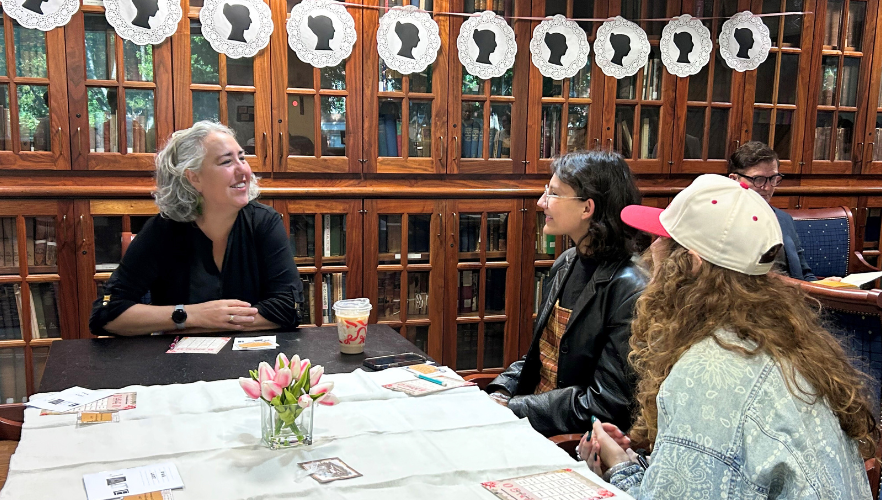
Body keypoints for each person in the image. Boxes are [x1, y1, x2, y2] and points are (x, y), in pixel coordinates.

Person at [579, 174, 877, 498]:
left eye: (663, 240)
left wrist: (619, 469)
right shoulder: (783, 346)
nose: (652, 249)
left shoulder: (707, 375)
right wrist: (635, 463)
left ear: (689, 265)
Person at [484, 150, 647, 437]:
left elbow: (604, 404)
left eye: (554, 194)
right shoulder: (566, 262)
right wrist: (499, 391)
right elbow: (541, 358)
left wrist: (513, 409)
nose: (541, 202)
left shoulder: (630, 289)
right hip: (532, 421)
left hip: (565, 441)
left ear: (587, 209)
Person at [89, 121, 304, 336]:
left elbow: (289, 308)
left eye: (242, 158)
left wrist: (218, 321)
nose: (243, 170)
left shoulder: (264, 222)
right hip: (180, 365)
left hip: (253, 362)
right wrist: (192, 315)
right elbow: (106, 314)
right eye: (227, 161)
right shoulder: (164, 229)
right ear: (194, 178)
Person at [727, 141, 818, 281]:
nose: (768, 188)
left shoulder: (784, 219)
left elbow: (804, 274)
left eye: (773, 179)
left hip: (796, 297)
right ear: (734, 179)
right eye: (759, 179)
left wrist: (825, 286)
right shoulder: (724, 222)